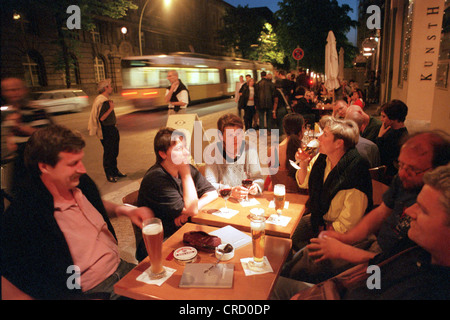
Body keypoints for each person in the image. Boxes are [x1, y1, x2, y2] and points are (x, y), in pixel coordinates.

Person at [1, 125, 153, 300]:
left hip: (122, 268)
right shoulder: (25, 214)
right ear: (44, 167)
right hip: (92, 292)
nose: (82, 169)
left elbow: (95, 205)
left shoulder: (80, 184)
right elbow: (9, 279)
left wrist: (124, 210)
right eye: (73, 163)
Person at [280, 130, 450, 284]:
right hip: (376, 246)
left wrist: (342, 251)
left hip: (383, 263)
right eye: (401, 164)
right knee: (306, 254)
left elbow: (394, 267)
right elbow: (381, 212)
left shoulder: (438, 212)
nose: (402, 173)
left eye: (412, 169)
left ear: (440, 169)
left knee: (312, 263)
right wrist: (345, 239)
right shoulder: (403, 179)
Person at [273, 164, 450, 300]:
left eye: (424, 210)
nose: (410, 211)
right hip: (333, 291)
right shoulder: (415, 250)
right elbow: (375, 272)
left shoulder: (431, 288)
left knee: (270, 285)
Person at [291, 116, 373, 251]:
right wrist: (304, 162)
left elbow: (349, 223)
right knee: (288, 236)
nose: (319, 138)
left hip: (345, 236)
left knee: (306, 255)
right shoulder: (323, 159)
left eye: (325, 135)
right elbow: (303, 183)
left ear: (338, 143)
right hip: (319, 218)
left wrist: (325, 232)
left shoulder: (355, 171)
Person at [136, 127, 217, 261]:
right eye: (179, 149)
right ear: (162, 154)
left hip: (184, 231)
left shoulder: (185, 167)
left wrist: (187, 212)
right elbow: (192, 209)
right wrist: (185, 174)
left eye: (185, 147)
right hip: (161, 241)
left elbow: (212, 192)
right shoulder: (156, 178)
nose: (186, 153)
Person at [1, 77, 52, 195]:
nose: (12, 93)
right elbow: (10, 133)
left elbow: (46, 134)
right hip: (19, 163)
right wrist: (11, 140)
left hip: (37, 162)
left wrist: (19, 126)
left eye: (15, 89)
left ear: (24, 90)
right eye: (7, 90)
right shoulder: (10, 111)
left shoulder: (36, 109)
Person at [204, 113, 264, 200]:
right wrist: (231, 190)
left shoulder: (250, 148)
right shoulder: (212, 151)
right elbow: (209, 185)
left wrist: (256, 187)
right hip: (223, 200)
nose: (236, 138)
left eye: (238, 133)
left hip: (246, 200)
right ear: (221, 136)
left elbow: (259, 179)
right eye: (230, 135)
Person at [88, 78, 126, 183]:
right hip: (107, 130)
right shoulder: (103, 101)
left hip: (111, 128)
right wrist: (110, 109)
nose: (112, 88)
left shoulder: (103, 99)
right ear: (105, 88)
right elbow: (102, 118)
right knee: (109, 153)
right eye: (110, 86)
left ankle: (115, 171)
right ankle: (109, 174)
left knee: (114, 152)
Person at [269, 113, 304, 193]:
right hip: (300, 198)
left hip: (277, 194)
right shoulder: (305, 152)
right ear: (302, 129)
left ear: (284, 129)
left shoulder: (272, 150)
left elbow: (272, 177)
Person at [376, 100, 409, 184]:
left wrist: (380, 137)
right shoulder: (390, 129)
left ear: (393, 118)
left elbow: (381, 155)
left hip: (388, 177)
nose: (381, 119)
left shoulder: (401, 137)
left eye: (384, 117)